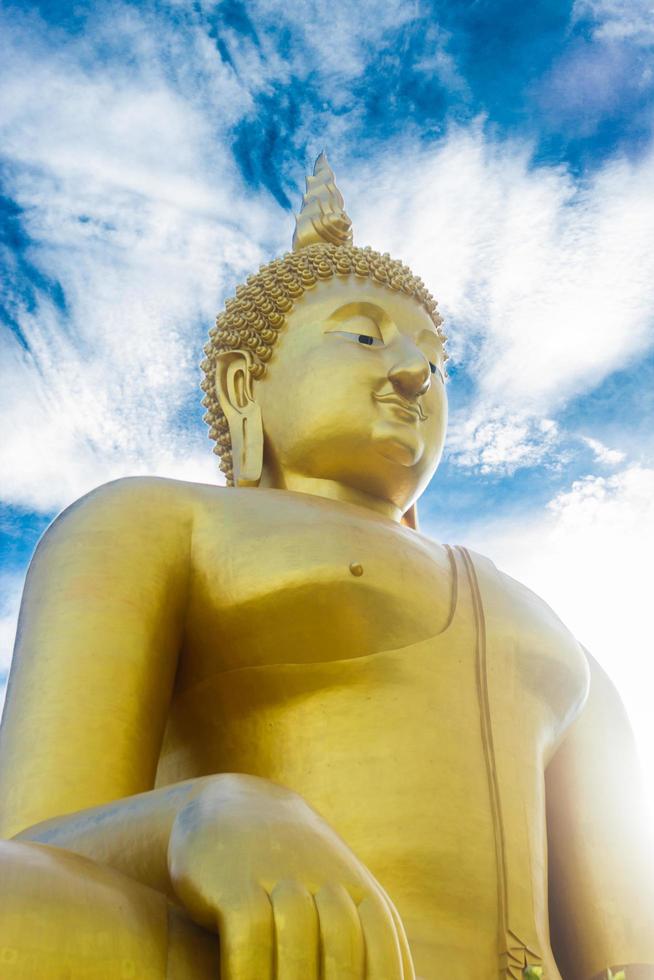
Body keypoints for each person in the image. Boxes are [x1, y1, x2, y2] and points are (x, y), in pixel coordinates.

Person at [0, 154, 652, 980]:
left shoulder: (557, 642)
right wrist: (203, 817)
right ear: (246, 385)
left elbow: (629, 955)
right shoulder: (155, 520)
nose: (414, 373)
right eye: (363, 335)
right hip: (244, 963)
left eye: (435, 359)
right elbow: (38, 843)